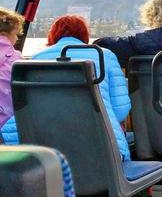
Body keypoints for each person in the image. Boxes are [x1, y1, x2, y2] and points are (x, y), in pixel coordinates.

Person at [1, 15, 132, 161]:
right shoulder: (104, 55)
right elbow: (121, 111)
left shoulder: (37, 58)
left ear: (53, 35)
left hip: (49, 150)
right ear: (84, 34)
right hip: (104, 150)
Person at [0, 8, 23, 133]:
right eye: (16, 34)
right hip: (6, 125)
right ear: (4, 35)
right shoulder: (16, 59)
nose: (17, 39)